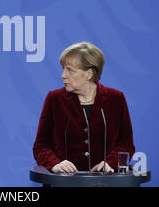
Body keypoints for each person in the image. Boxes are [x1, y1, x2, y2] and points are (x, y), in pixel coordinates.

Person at [33, 41, 135, 174]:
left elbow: (126, 144)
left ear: (89, 74)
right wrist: (54, 164)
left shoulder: (116, 99)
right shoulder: (54, 99)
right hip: (65, 183)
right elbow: (41, 146)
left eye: (70, 70)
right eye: (63, 69)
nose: (63, 75)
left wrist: (109, 163)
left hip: (105, 182)